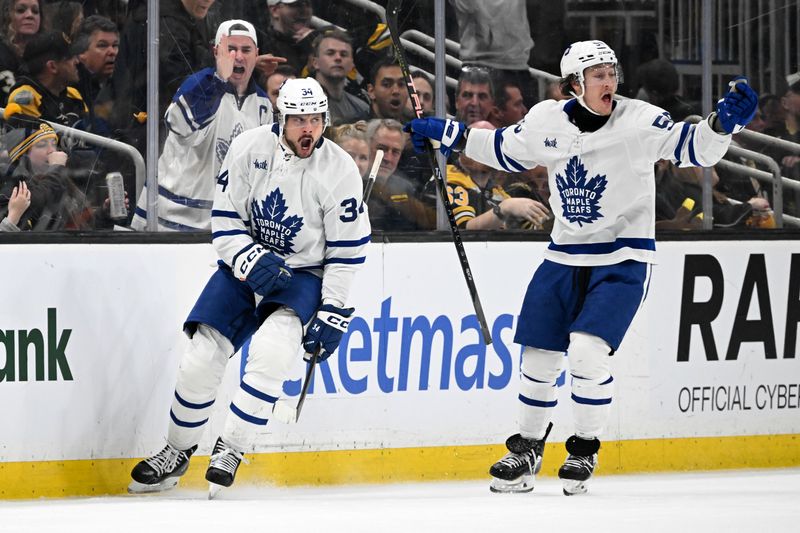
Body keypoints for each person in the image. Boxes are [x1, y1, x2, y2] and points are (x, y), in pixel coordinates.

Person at [404, 40, 757, 495]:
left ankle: (584, 448)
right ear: (574, 84)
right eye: (598, 74)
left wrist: (722, 124)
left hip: (623, 257)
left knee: (588, 353)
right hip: (564, 255)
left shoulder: (641, 119)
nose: (609, 80)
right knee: (537, 356)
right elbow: (504, 149)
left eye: (612, 72)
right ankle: (528, 447)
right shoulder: (547, 119)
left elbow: (694, 149)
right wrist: (446, 132)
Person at [128, 77, 370, 493]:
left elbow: (346, 253)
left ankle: (232, 447)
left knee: (271, 354)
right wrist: (247, 256)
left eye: (316, 119)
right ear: (282, 120)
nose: (308, 129)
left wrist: (332, 310)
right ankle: (176, 451)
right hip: (247, 264)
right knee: (201, 357)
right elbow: (223, 222)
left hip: (302, 274)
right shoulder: (249, 148)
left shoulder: (340, 170)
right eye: (299, 120)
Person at [130, 19, 272, 231]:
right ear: (216, 52)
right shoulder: (198, 85)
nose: (239, 56)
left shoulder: (263, 104)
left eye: (246, 50)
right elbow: (178, 125)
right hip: (168, 220)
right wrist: (218, 82)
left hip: (223, 222)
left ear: (256, 54)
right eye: (230, 49)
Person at [3, 30, 87, 127]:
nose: (77, 61)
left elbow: (92, 132)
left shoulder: (73, 95)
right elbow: (33, 139)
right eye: (70, 58)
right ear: (52, 67)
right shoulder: (26, 96)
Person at [311, 28, 369, 126]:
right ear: (315, 63)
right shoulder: (301, 101)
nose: (338, 58)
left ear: (352, 64)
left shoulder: (362, 108)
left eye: (344, 54)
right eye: (330, 53)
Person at [0, 0, 45, 98]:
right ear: (7, 15)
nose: (30, 15)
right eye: (21, 10)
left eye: (35, 11)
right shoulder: (2, 53)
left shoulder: (47, 56)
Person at [366, 55, 408, 122]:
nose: (396, 91)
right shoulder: (354, 130)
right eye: (387, 84)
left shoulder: (413, 130)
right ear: (371, 91)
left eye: (401, 84)